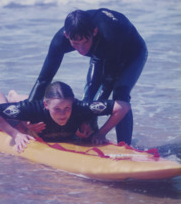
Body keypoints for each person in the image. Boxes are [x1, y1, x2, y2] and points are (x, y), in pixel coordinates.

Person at [28, 8, 148, 145]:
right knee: (89, 98)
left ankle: (125, 145)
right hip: (100, 52)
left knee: (121, 94)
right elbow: (43, 79)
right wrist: (27, 117)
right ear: (67, 35)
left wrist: (90, 119)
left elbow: (107, 82)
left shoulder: (109, 35)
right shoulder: (60, 40)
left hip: (133, 53)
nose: (82, 50)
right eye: (75, 44)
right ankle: (89, 134)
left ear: (94, 32)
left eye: (85, 42)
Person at [0, 80, 130, 153]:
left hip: (37, 105)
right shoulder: (35, 110)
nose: (63, 114)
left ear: (73, 103)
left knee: (24, 106)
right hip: (28, 110)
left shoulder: (80, 107)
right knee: (4, 106)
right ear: (46, 105)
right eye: (57, 109)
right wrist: (16, 134)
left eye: (67, 108)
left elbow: (123, 107)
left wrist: (101, 133)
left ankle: (16, 97)